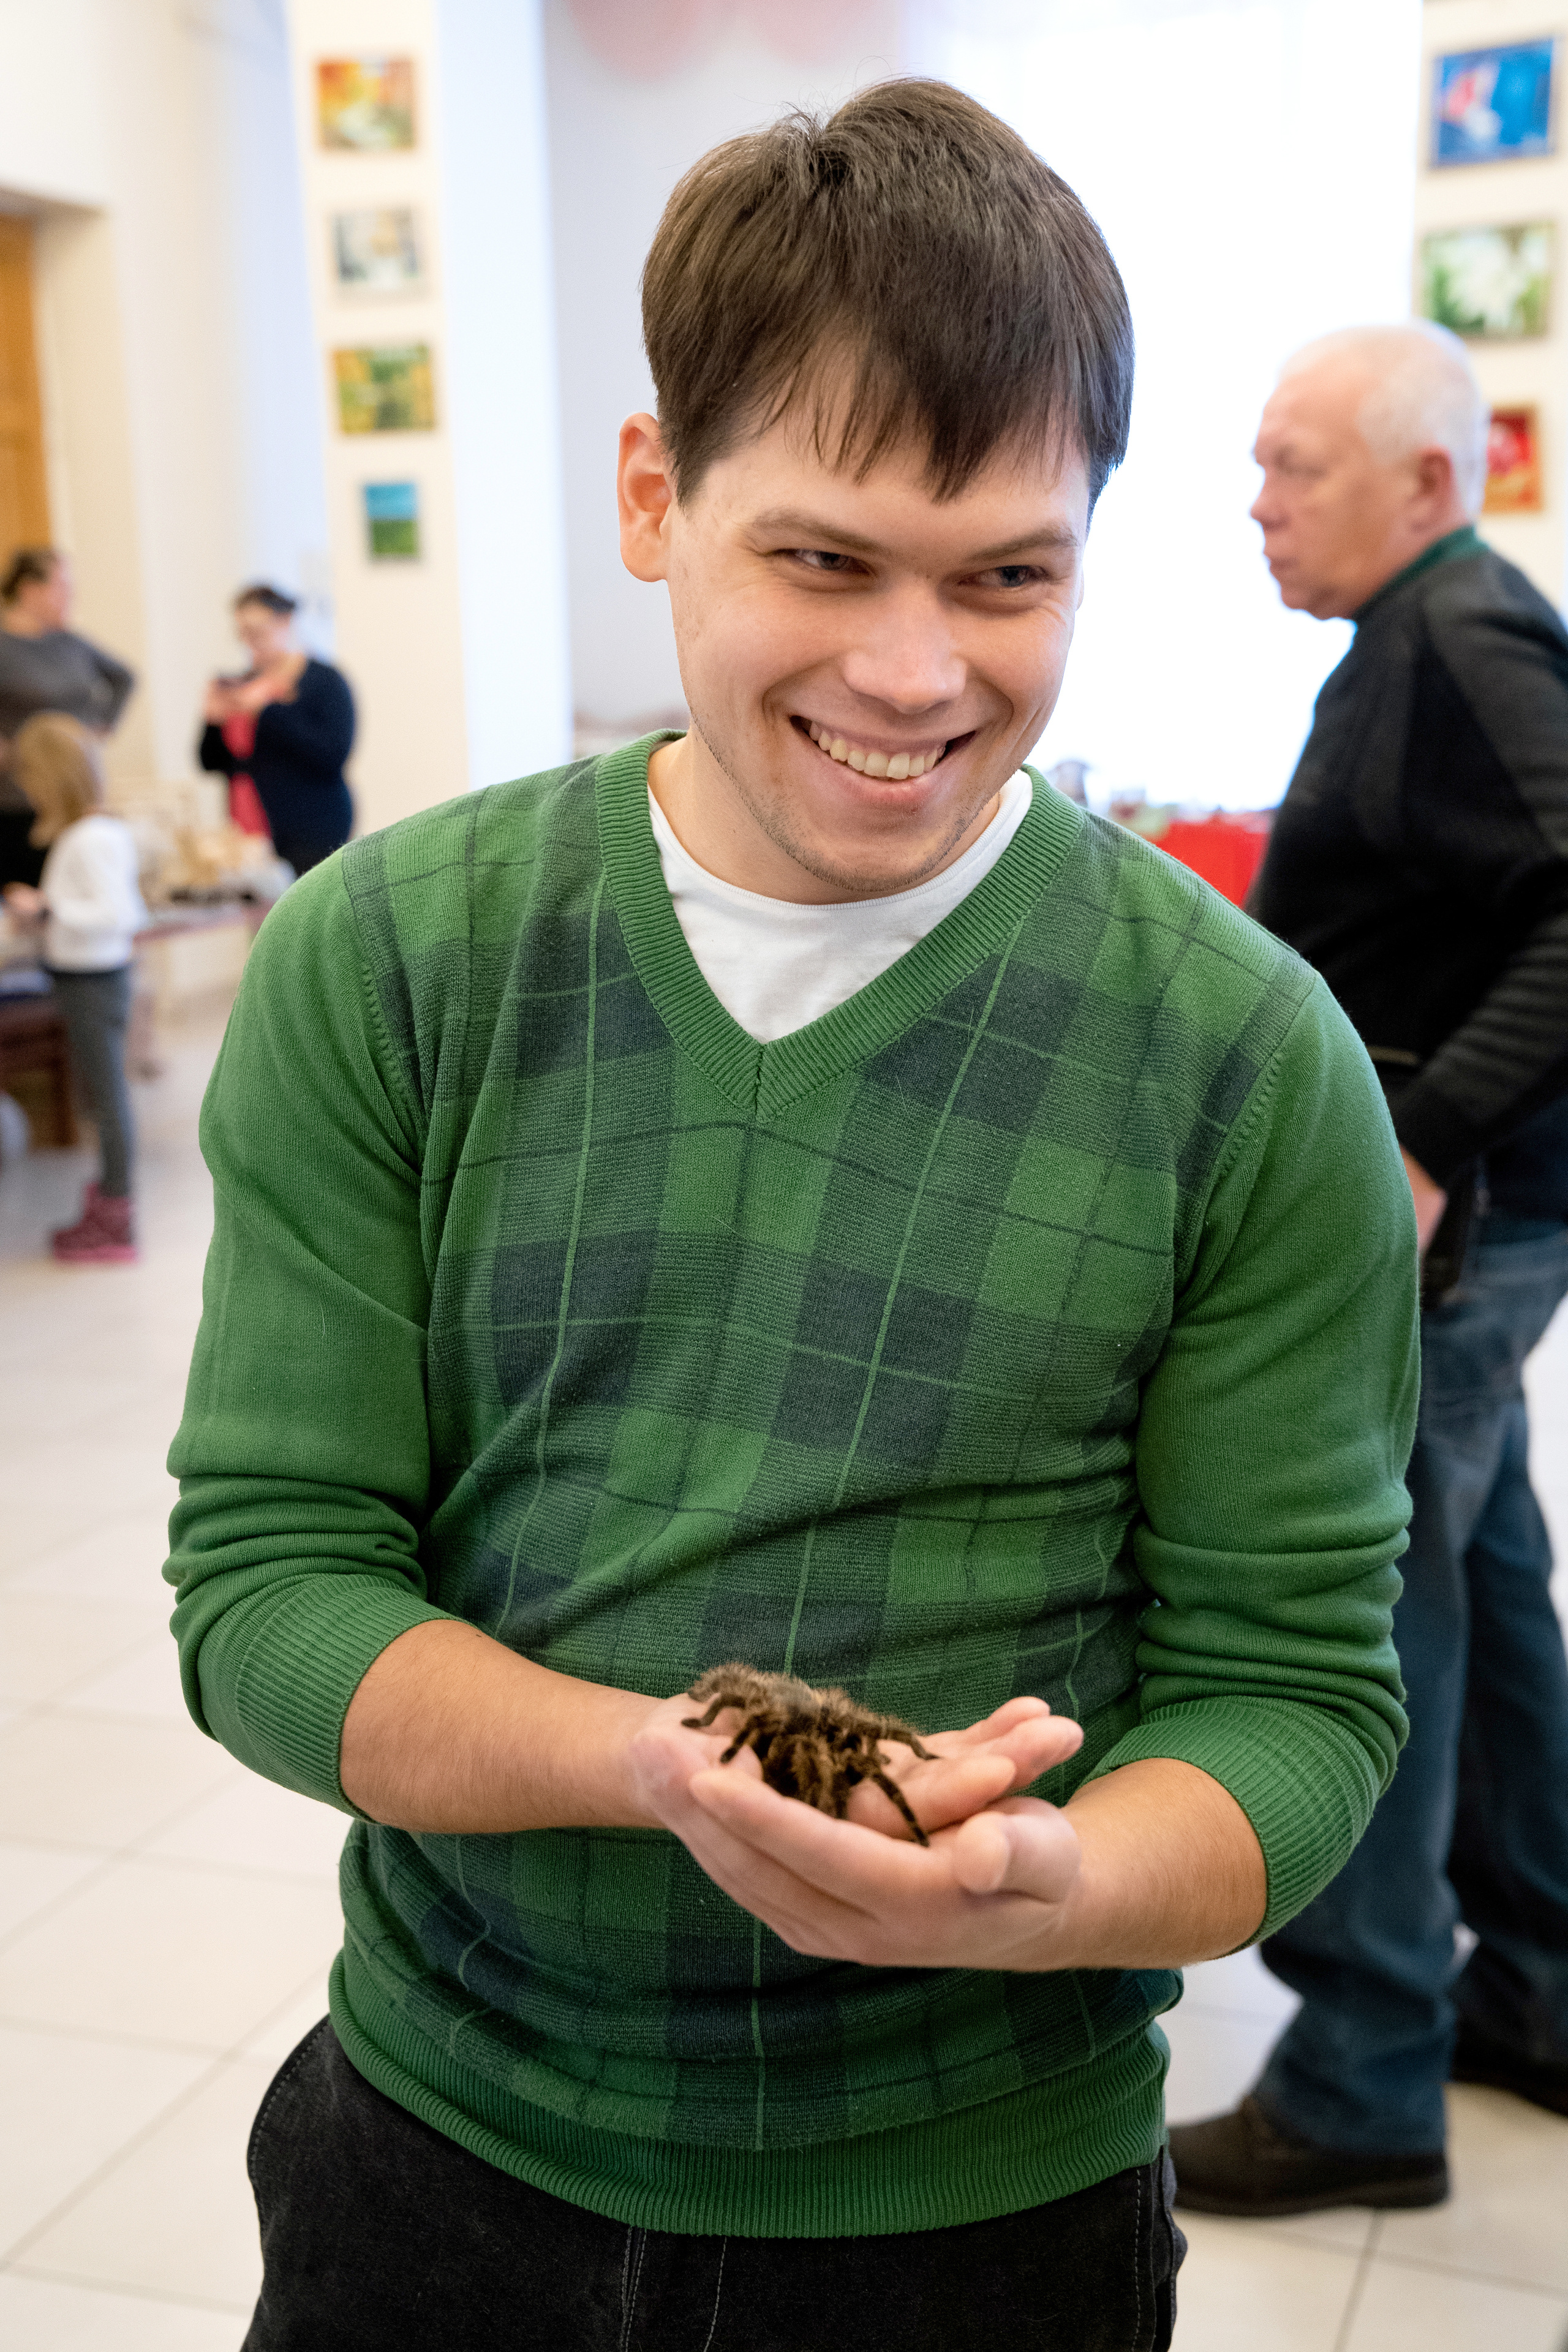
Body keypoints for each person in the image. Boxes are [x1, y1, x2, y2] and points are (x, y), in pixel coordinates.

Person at [167, 86, 1419, 2352]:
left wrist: (1049, 1883)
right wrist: (648, 1764)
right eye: (825, 562)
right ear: (654, 495)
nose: (916, 674)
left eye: (1006, 577)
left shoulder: (1242, 1062)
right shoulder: (396, 963)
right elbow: (270, 1589)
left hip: (981, 2210)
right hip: (438, 2146)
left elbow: (1293, 1703)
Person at [1169, 323, 1568, 2221]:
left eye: (1292, 465)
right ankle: (1541, 1992)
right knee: (1483, 1593)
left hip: (1454, 1232)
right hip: (1488, 1227)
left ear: (1423, 482)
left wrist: (1421, 1137)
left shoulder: (1461, 639)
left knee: (1376, 1623)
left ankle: (1361, 2074)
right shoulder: (1419, 634)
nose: (1256, 503)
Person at [3, 712, 146, 1262]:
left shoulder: (91, 839)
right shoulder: (89, 834)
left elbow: (119, 914)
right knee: (99, 1098)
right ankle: (109, 1199)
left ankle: (116, 1212)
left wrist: (49, 909)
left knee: (107, 1101)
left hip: (95, 981)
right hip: (82, 977)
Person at [0, 548, 136, 889]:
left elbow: (124, 677)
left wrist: (101, 726)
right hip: (21, 797)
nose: (69, 596)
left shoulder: (69, 642)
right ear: (30, 590)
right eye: (61, 587)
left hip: (76, 795)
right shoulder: (5, 647)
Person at [197, 585, 354, 875]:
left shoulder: (324, 682)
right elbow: (212, 763)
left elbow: (331, 755)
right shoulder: (241, 684)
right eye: (243, 633)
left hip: (312, 823)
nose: (250, 642)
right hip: (249, 824)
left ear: (285, 622)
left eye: (258, 631)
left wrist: (266, 710)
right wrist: (212, 722)